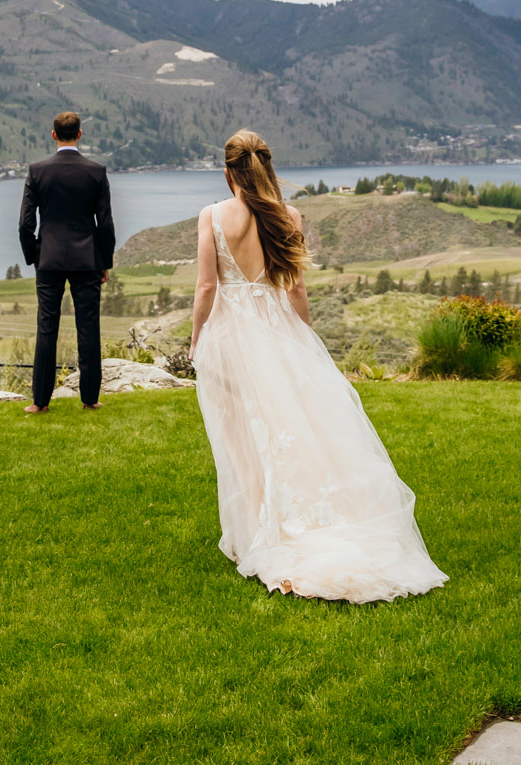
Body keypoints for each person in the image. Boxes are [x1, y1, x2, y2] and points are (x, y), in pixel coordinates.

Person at [189, 130, 447, 603]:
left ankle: (260, 534)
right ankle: (284, 526)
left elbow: (207, 288)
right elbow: (296, 290)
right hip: (277, 332)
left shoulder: (211, 216)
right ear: (265, 168)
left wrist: (196, 339)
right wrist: (305, 341)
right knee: (291, 430)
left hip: (230, 338)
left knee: (243, 438)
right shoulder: (289, 215)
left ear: (228, 172)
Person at [17, 111, 115, 413]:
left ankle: (40, 402)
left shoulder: (37, 171)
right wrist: (105, 261)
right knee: (89, 327)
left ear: (54, 135)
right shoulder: (96, 171)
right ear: (80, 134)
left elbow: (24, 224)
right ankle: (90, 398)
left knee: (47, 327)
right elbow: (106, 224)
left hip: (48, 260)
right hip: (88, 260)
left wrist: (34, 255)